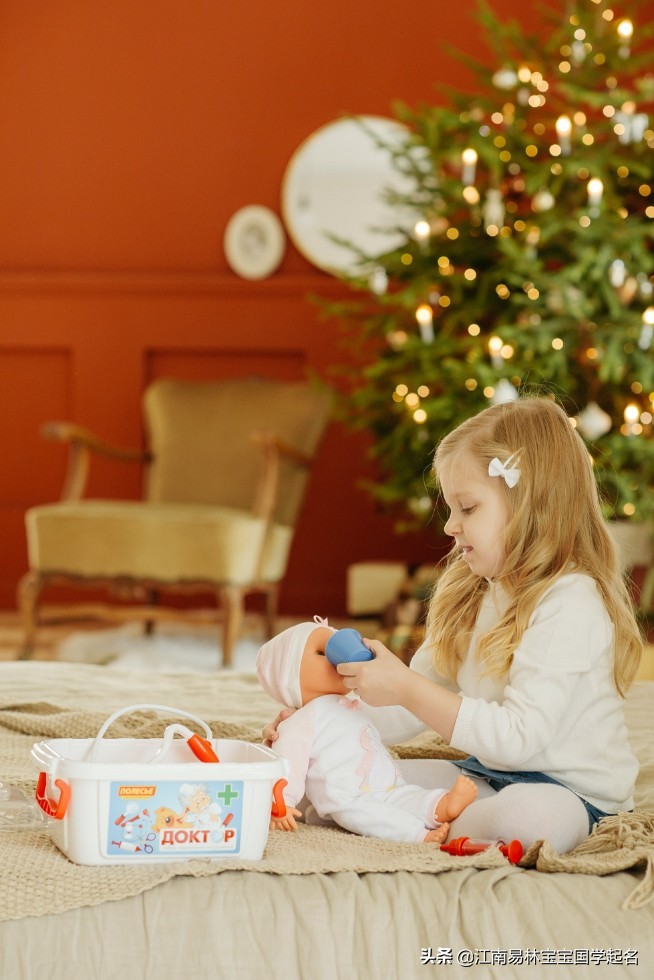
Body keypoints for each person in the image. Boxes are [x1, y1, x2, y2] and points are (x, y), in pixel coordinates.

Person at [264, 397, 643, 854]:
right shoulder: (476, 590)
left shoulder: (569, 601)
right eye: (450, 509)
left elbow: (518, 740)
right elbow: (408, 707)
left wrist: (404, 686)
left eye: (467, 508)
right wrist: (325, 725)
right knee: (349, 774)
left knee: (529, 819)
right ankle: (425, 816)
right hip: (487, 775)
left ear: (531, 505)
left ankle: (427, 822)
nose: (449, 527)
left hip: (573, 796)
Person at [256, 619, 477, 844]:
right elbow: (287, 762)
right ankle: (418, 834)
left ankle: (439, 807)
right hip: (346, 796)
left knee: (406, 795)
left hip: (384, 782)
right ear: (290, 677)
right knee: (370, 816)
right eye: (323, 652)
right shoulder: (301, 720)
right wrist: (282, 802)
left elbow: (398, 714)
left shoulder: (353, 704)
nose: (335, 657)